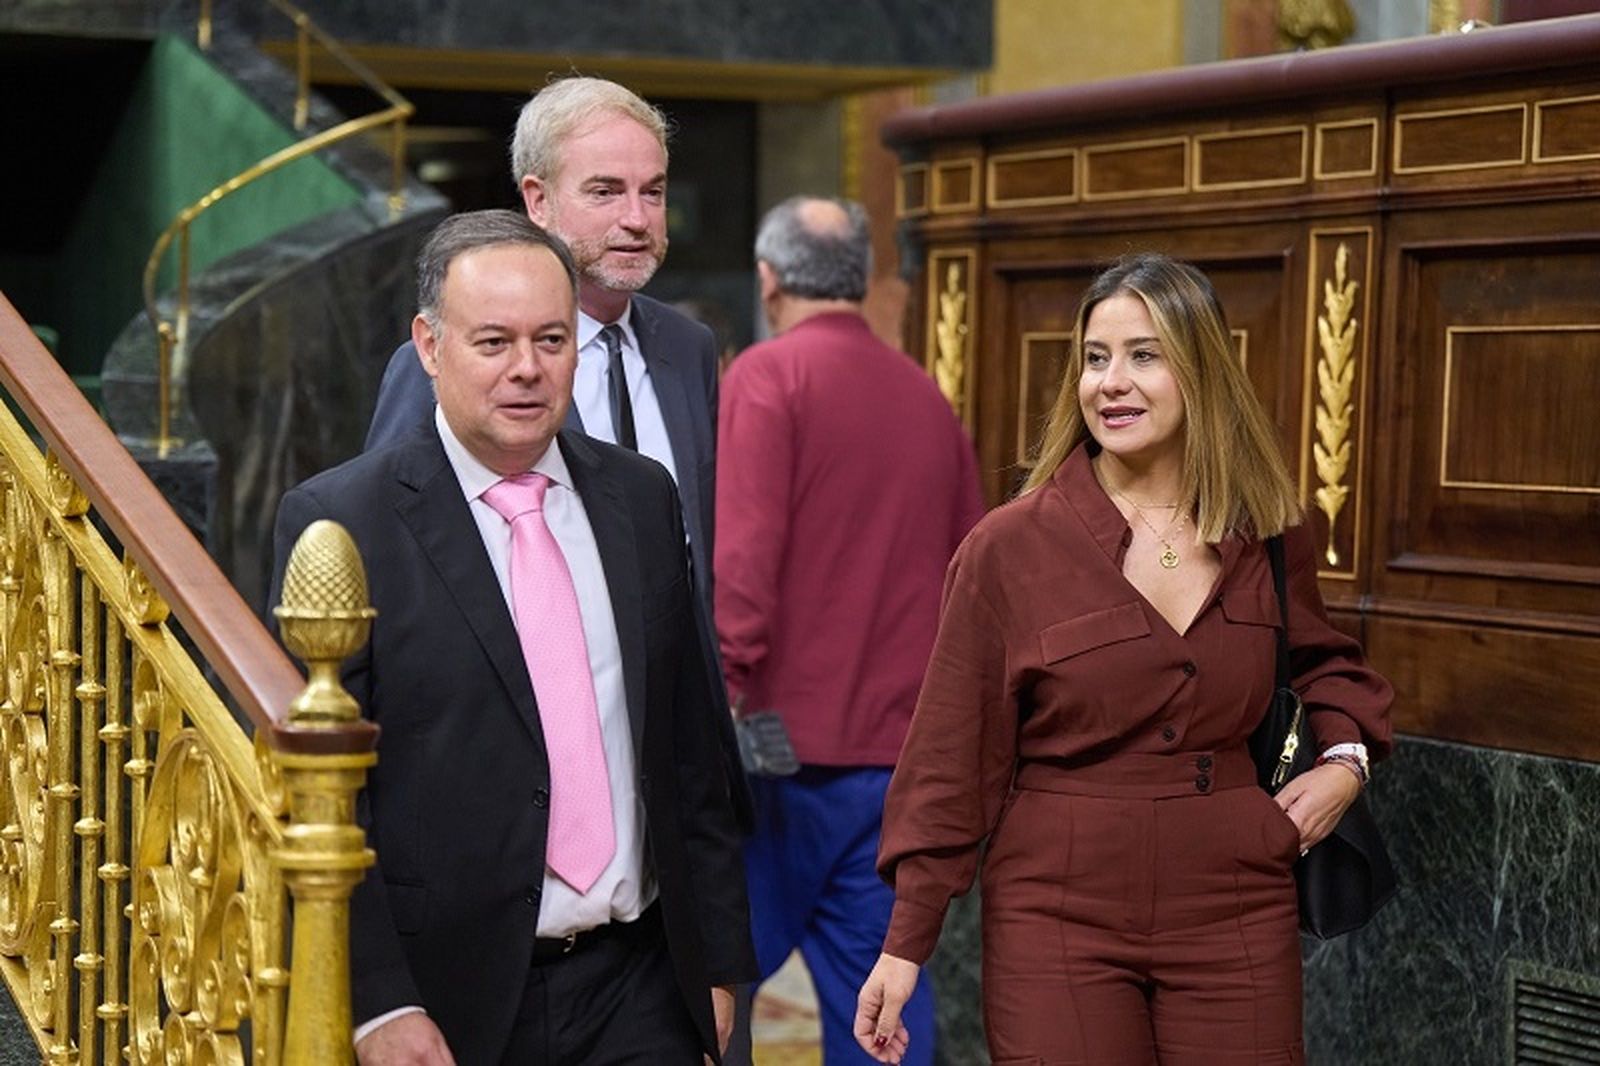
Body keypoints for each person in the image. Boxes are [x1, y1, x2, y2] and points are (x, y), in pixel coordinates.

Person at [853, 253, 1393, 1065]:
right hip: (1057, 912)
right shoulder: (1010, 548)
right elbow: (950, 758)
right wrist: (906, 943)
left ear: (1201, 369)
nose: (1112, 381)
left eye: (1144, 355)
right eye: (1096, 358)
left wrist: (1346, 763)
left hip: (1236, 900)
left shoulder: (1268, 531)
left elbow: (1324, 664)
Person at [270, 210, 755, 1065]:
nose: (527, 370)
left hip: (643, 986)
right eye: (493, 342)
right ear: (429, 345)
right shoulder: (340, 522)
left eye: (552, 339)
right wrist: (377, 1003)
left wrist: (718, 966)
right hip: (449, 1001)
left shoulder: (640, 499)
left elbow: (687, 752)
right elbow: (321, 797)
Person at [716, 196, 985, 1065]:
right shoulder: (926, 398)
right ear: (864, 279)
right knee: (881, 1018)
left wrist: (711, 705)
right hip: (897, 769)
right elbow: (972, 584)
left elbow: (743, 568)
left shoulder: (765, 376)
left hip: (775, 765)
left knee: (714, 1001)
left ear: (768, 280)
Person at [364, 76, 720, 629]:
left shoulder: (688, 347)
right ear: (538, 201)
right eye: (604, 192)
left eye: (652, 191)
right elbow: (390, 543)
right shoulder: (439, 362)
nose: (636, 218)